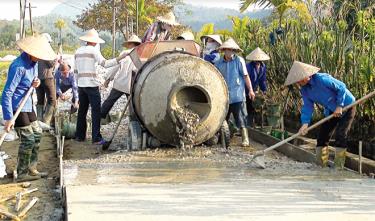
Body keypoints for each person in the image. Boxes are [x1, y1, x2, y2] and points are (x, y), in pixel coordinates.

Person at [1, 35, 56, 181]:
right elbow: (7, 93)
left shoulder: (34, 63)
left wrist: (36, 82)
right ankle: (22, 173)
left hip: (27, 104)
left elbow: (32, 81)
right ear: (31, 53)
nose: (40, 58)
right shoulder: (18, 66)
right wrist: (7, 118)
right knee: (28, 139)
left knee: (37, 133)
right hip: (16, 107)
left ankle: (32, 168)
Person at [284, 61, 356, 169]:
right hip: (332, 109)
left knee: (340, 135)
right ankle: (321, 165)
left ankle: (339, 166)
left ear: (306, 76)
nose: (297, 83)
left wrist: (340, 105)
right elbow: (307, 107)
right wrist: (305, 124)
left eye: (299, 80)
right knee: (323, 135)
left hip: (347, 105)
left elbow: (341, 87)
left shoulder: (322, 79)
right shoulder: (305, 90)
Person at [74, 28, 128, 145]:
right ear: (94, 41)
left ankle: (79, 136)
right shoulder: (93, 51)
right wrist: (119, 58)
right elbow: (105, 64)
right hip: (92, 85)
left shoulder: (78, 51)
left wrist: (78, 83)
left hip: (81, 85)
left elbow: (75, 71)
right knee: (96, 111)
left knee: (82, 111)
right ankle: (96, 138)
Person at [215, 38, 255, 147]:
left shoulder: (239, 61)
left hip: (237, 95)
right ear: (224, 50)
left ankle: (245, 139)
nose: (229, 52)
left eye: (231, 50)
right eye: (227, 50)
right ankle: (222, 138)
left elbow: (246, 77)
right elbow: (215, 78)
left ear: (234, 51)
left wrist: (250, 90)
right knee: (223, 119)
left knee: (241, 118)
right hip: (224, 96)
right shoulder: (218, 63)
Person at [101, 35, 142, 125]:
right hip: (132, 85)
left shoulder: (124, 53)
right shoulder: (140, 54)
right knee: (133, 106)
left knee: (110, 101)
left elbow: (115, 68)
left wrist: (108, 79)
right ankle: (135, 123)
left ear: (130, 44)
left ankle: (99, 117)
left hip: (120, 83)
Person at [36, 33, 58, 125]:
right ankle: (46, 122)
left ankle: (39, 120)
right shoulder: (46, 50)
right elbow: (51, 64)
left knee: (40, 99)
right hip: (47, 78)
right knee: (52, 99)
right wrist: (56, 59)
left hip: (37, 78)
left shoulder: (36, 49)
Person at [245, 47, 270, 127]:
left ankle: (251, 124)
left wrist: (264, 90)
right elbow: (246, 78)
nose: (258, 60)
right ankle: (246, 126)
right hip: (246, 89)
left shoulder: (263, 67)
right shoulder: (248, 66)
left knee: (253, 108)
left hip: (254, 90)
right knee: (247, 107)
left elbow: (262, 80)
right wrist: (249, 90)